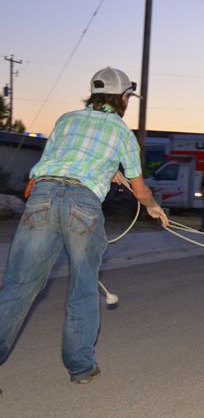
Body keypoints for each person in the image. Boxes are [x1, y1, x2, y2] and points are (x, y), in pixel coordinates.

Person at [0, 67, 169, 384]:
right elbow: (140, 188)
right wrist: (153, 207)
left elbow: (55, 164)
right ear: (122, 97)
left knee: (18, 287)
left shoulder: (66, 119)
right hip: (83, 204)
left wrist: (106, 171)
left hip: (43, 195)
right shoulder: (121, 132)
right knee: (83, 286)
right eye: (128, 96)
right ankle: (80, 366)